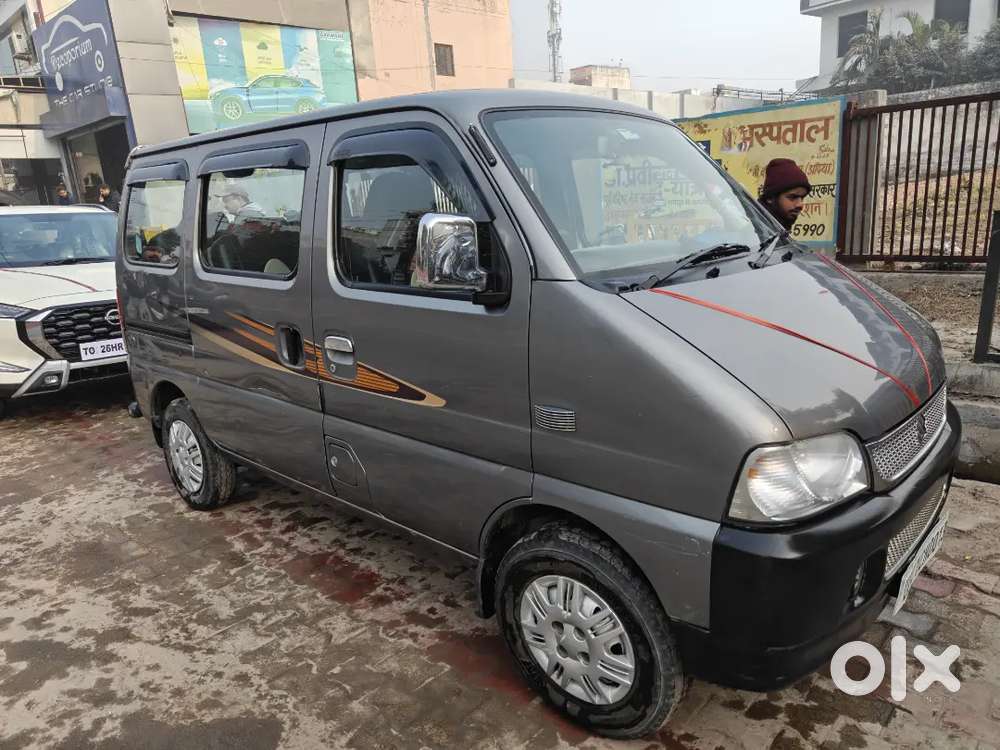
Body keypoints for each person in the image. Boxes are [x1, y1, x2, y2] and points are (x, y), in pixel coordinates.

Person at [759, 158, 811, 230]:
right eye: (793, 197)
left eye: (802, 198)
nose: (800, 205)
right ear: (770, 197)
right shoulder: (753, 232)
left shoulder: (777, 232)